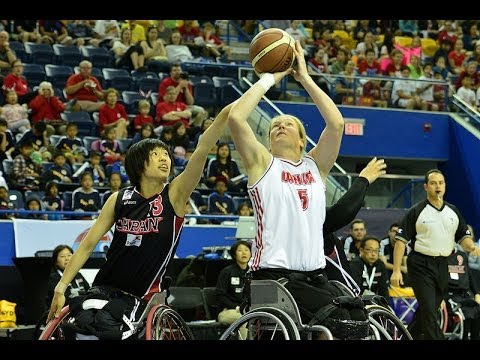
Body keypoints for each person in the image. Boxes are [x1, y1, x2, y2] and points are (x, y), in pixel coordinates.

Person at [46, 101, 235, 340]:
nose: (164, 158)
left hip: (142, 296)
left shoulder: (175, 195)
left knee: (108, 331)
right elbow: (87, 245)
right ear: (139, 164)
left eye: (166, 154)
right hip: (104, 289)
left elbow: (202, 148)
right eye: (155, 154)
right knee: (73, 326)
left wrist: (226, 112)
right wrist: (61, 287)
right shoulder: (119, 198)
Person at [227, 39, 357, 334]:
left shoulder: (314, 167)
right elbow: (236, 117)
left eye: (288, 124)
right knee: (343, 323)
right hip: (272, 278)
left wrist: (305, 78)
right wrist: (269, 78)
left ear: (302, 140)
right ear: (270, 139)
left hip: (315, 277)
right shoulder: (263, 164)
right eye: (275, 126)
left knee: (359, 315)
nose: (280, 126)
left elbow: (336, 124)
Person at [390, 169, 480, 340]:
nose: (437, 186)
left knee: (427, 310)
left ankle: (406, 337)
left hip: (444, 265)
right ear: (426, 187)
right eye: (433, 183)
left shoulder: (453, 211)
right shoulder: (416, 211)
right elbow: (401, 241)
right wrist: (396, 270)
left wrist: (473, 248)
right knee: (430, 311)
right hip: (420, 264)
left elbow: (465, 240)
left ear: (445, 186)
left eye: (441, 183)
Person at [215, 240, 251, 339]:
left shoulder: (252, 272)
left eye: (246, 250)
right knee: (244, 319)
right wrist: (236, 307)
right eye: (240, 250)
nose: (244, 253)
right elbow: (220, 295)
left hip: (247, 310)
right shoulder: (227, 272)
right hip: (228, 311)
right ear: (234, 254)